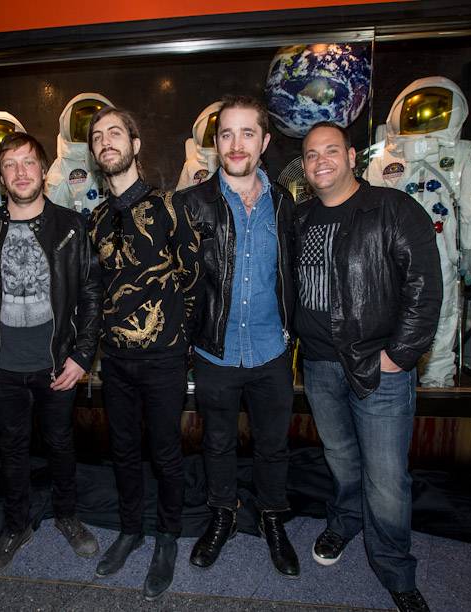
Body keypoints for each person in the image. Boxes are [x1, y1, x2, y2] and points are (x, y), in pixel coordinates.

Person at [297, 122, 442, 612]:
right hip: (318, 365)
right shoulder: (300, 218)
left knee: (386, 477)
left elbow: (425, 289)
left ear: (352, 156)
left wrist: (398, 356)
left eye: (331, 151)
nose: (321, 161)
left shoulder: (393, 209)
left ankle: (395, 569)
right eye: (311, 154)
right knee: (340, 458)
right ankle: (345, 522)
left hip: (379, 367)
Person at [0, 132, 102, 579]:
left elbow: (91, 294)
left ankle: (66, 515)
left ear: (44, 170)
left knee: (61, 442)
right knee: (11, 447)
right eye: (10, 164)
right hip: (2, 364)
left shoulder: (71, 225)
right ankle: (16, 525)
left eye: (28, 162)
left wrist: (82, 355)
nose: (21, 172)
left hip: (56, 361)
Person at [177, 94, 299, 577]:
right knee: (217, 443)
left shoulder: (285, 203)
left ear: (264, 142)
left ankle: (272, 518)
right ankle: (223, 514)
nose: (236, 144)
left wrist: (295, 332)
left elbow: (293, 273)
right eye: (226, 133)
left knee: (273, 445)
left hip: (272, 349)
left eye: (248, 133)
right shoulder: (192, 204)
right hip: (215, 351)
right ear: (215, 141)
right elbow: (178, 281)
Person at [87, 106, 201, 600]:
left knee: (166, 452)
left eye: (115, 133)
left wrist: (181, 342)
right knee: (123, 450)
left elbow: (194, 279)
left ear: (135, 145)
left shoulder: (170, 206)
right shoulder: (95, 219)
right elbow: (93, 291)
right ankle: (131, 529)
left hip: (164, 359)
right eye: (97, 136)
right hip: (114, 361)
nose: (106, 141)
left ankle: (167, 536)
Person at [364, 76, 471, 387]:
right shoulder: (383, 157)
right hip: (393, 252)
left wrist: (470, 250)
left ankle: (437, 378)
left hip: (440, 248)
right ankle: (391, 374)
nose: (424, 115)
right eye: (418, 109)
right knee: (393, 311)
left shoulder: (466, 154)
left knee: (443, 311)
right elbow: (367, 207)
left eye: (435, 108)